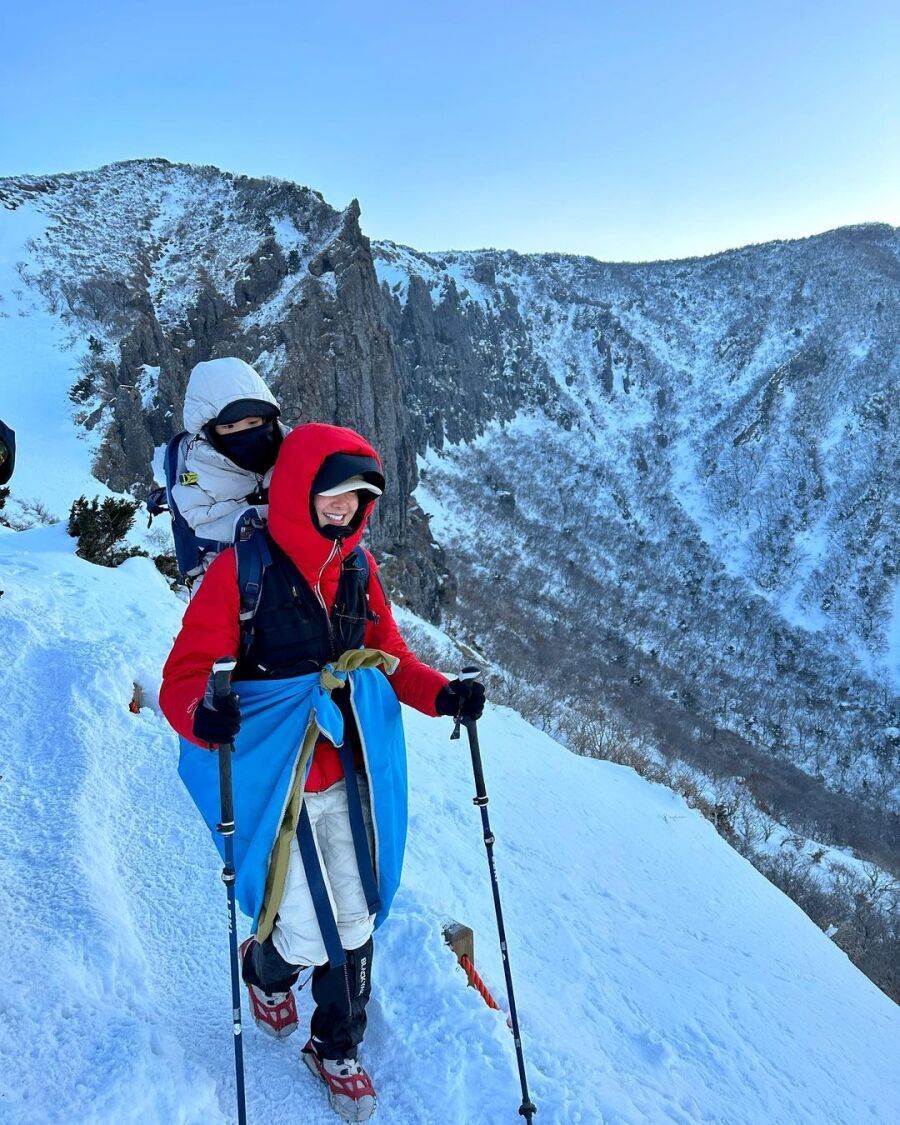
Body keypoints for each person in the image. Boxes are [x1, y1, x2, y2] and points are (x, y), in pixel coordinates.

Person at [159, 423, 485, 1122]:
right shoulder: (241, 573)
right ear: (301, 489)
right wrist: (201, 715)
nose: (345, 512)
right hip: (280, 780)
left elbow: (389, 658)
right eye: (334, 497)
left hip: (350, 767)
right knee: (306, 931)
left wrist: (444, 694)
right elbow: (183, 677)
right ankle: (265, 967)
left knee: (359, 913)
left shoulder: (359, 572)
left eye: (357, 501)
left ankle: (336, 1044)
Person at [172, 356, 286, 549]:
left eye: (253, 423)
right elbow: (199, 522)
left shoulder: (292, 446)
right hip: (231, 562)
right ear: (209, 430)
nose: (243, 432)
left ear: (267, 420)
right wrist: (253, 510)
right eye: (229, 426)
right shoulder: (199, 467)